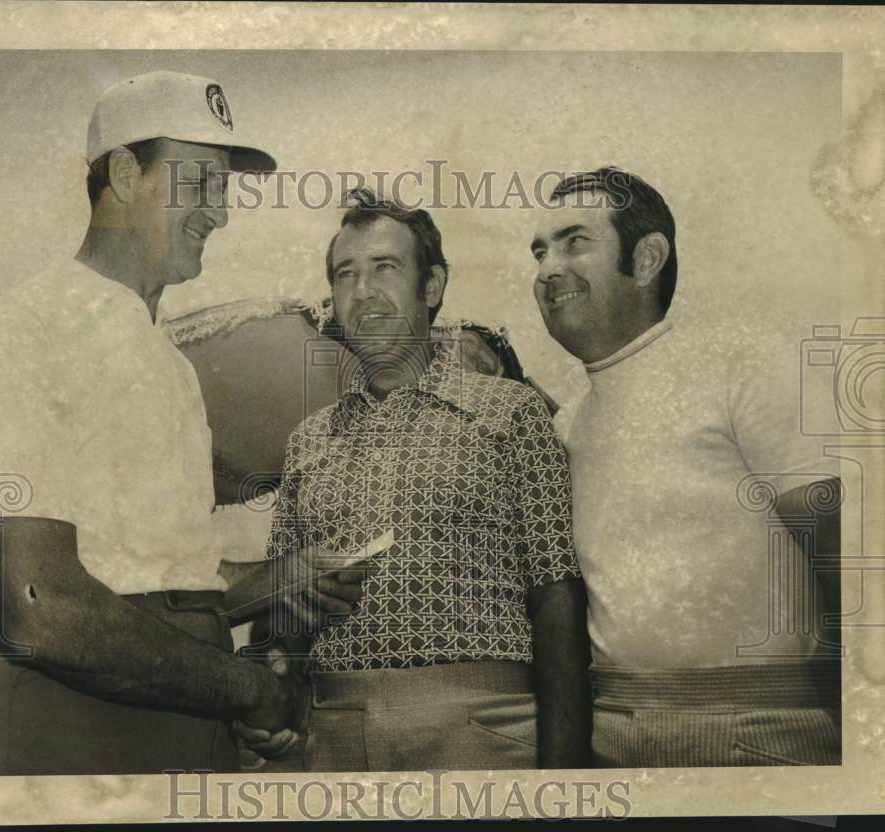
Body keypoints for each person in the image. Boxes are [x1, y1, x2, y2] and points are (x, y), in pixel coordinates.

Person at [0, 70, 310, 775]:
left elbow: (158, 576)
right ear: (124, 173)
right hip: (72, 725)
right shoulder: (27, 325)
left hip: (182, 717)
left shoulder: (169, 358)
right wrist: (246, 689)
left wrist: (287, 578)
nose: (222, 211)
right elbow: (42, 606)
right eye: (202, 181)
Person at [237, 188, 591, 771]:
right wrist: (269, 687)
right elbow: (278, 615)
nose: (362, 291)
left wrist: (566, 777)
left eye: (385, 268)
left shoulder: (511, 414)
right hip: (334, 737)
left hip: (485, 732)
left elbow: (557, 598)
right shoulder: (308, 440)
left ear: (431, 286)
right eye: (344, 273)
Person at [531, 166, 842, 767]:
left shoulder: (740, 360)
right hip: (614, 745)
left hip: (769, 736)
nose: (546, 268)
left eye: (575, 241)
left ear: (647, 259)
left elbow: (845, 552)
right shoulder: (568, 423)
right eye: (539, 251)